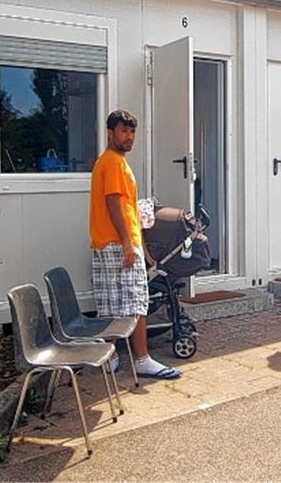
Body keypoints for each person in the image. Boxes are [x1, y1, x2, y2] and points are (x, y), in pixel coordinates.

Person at [89, 109, 180, 380]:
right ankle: (142, 359)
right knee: (137, 302)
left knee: (110, 304)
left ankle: (111, 357)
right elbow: (113, 202)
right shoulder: (114, 162)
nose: (129, 137)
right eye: (124, 131)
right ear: (110, 133)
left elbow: (119, 203)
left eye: (132, 132)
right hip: (120, 244)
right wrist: (129, 242)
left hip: (105, 243)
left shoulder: (106, 161)